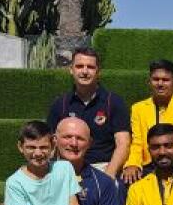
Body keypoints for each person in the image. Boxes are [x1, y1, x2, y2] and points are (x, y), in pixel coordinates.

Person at [45, 46, 131, 178]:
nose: (84, 71)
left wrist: (108, 177)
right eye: (79, 66)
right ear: (71, 70)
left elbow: (123, 143)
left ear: (98, 72)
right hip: (67, 168)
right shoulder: (60, 104)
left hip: (103, 168)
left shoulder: (113, 102)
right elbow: (50, 143)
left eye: (90, 67)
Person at [121, 59, 173, 185]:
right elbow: (137, 143)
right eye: (155, 79)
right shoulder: (138, 108)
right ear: (149, 82)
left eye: (165, 80)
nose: (160, 83)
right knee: (124, 182)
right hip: (148, 165)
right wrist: (133, 164)